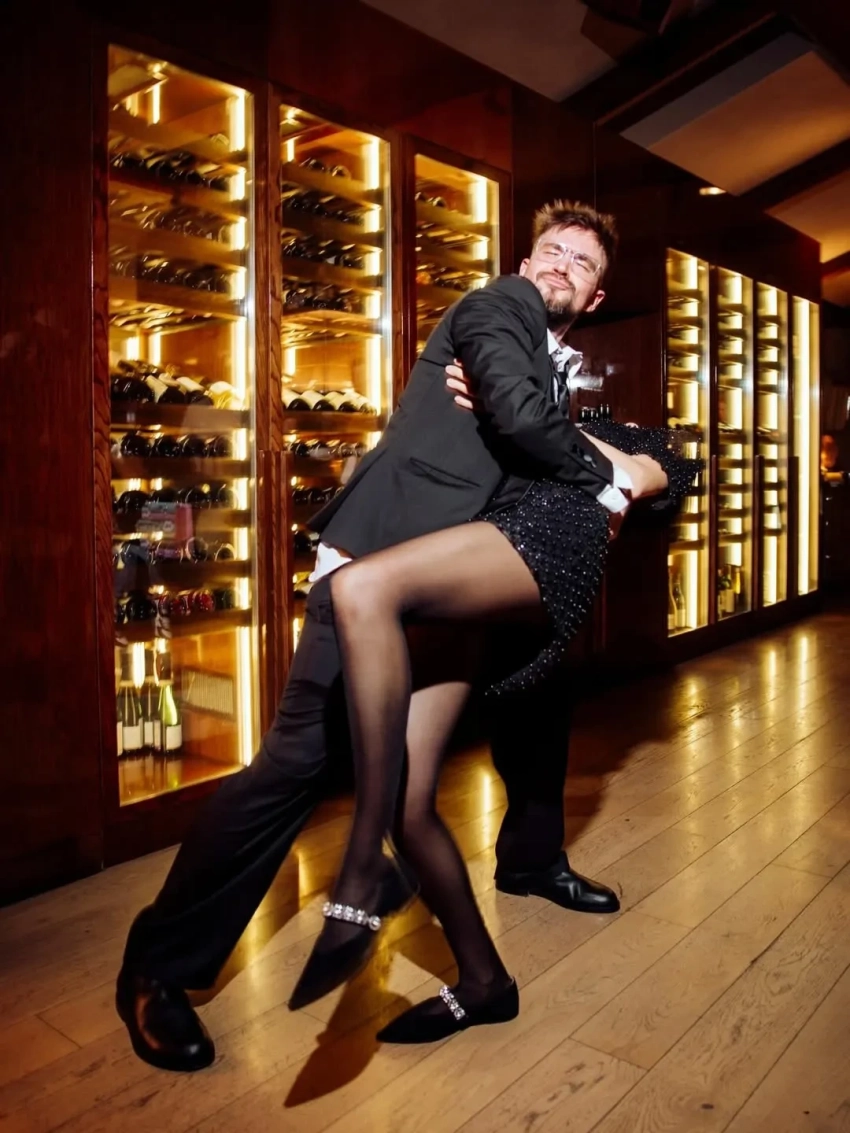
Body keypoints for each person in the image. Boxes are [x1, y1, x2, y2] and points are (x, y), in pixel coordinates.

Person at [116, 200, 664, 1072]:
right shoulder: (499, 306)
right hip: (371, 569)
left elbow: (532, 432)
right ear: (525, 262)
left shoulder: (546, 365)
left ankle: (478, 965)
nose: (562, 264)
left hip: (441, 596)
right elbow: (522, 419)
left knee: (406, 778)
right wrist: (607, 475)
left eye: (582, 262)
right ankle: (157, 967)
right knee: (291, 770)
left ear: (596, 297)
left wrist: (567, 439)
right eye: (551, 250)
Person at [287, 287, 698, 1043]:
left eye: (583, 264)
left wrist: (595, 450)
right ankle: (485, 983)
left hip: (542, 562)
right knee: (410, 799)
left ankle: (362, 867)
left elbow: (656, 474)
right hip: (474, 582)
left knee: (362, 587)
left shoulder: (594, 423)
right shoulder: (491, 394)